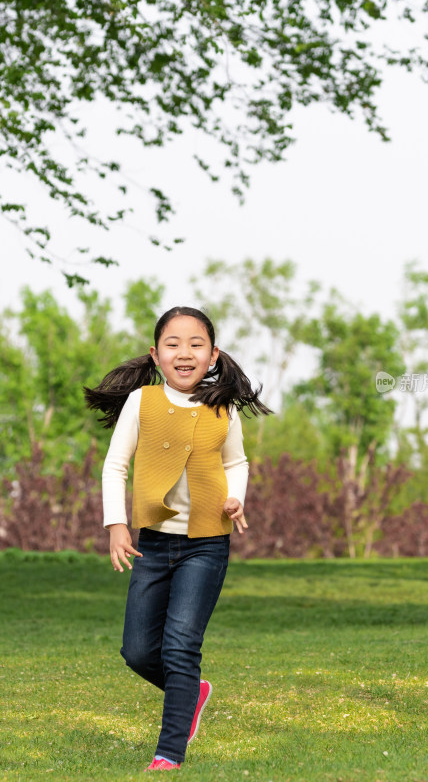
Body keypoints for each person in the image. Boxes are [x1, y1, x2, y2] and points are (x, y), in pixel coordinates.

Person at [84, 306, 271, 772]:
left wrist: (236, 498)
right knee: (139, 651)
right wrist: (116, 525)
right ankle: (194, 693)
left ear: (213, 356)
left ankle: (169, 753)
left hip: (206, 544)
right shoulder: (141, 403)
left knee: (180, 645)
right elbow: (115, 466)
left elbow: (237, 464)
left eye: (195, 344)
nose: (184, 352)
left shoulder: (222, 409)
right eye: (173, 343)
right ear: (156, 354)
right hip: (151, 541)